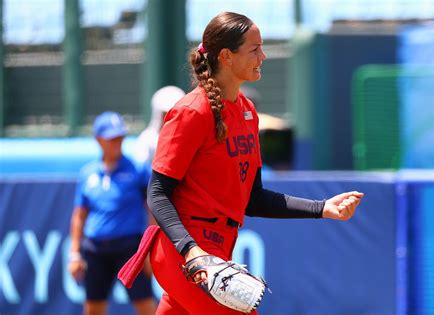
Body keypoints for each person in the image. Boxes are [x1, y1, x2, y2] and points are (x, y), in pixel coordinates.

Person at [146, 12, 364, 314]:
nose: (263, 56)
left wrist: (322, 207)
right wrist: (191, 250)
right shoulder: (192, 112)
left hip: (216, 248)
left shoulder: (247, 111)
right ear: (226, 56)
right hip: (186, 252)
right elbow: (157, 192)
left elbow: (253, 198)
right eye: (254, 49)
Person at [68, 111, 156, 315]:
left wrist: (151, 251)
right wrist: (74, 254)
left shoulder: (138, 170)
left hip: (131, 250)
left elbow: (152, 209)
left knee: (145, 306)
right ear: (99, 140)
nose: (117, 142)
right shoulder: (88, 173)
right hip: (95, 251)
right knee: (93, 308)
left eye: (120, 138)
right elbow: (79, 216)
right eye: (111, 138)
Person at [135, 86, 186, 165]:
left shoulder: (188, 138)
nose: (172, 118)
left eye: (176, 114)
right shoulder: (147, 140)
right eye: (166, 114)